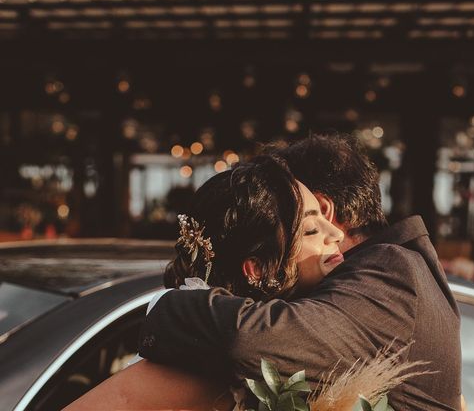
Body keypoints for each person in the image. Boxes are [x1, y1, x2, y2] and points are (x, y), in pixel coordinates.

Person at [71, 134, 462, 410]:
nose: (330, 236)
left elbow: (250, 337)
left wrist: (166, 303)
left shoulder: (391, 272)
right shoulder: (374, 281)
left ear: (323, 208)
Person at [66, 154, 345, 410]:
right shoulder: (203, 365)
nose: (336, 234)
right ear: (257, 269)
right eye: (310, 230)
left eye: (324, 217)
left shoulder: (269, 334)